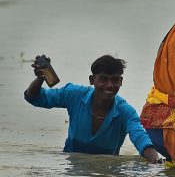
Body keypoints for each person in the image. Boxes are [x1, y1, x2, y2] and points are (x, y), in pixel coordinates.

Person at [24, 54, 160, 163]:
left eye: (115, 80)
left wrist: (156, 161)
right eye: (103, 79)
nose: (109, 85)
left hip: (107, 173)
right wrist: (40, 79)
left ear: (121, 81)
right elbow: (35, 98)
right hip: (71, 167)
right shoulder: (73, 94)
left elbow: (140, 138)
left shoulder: (126, 112)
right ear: (91, 80)